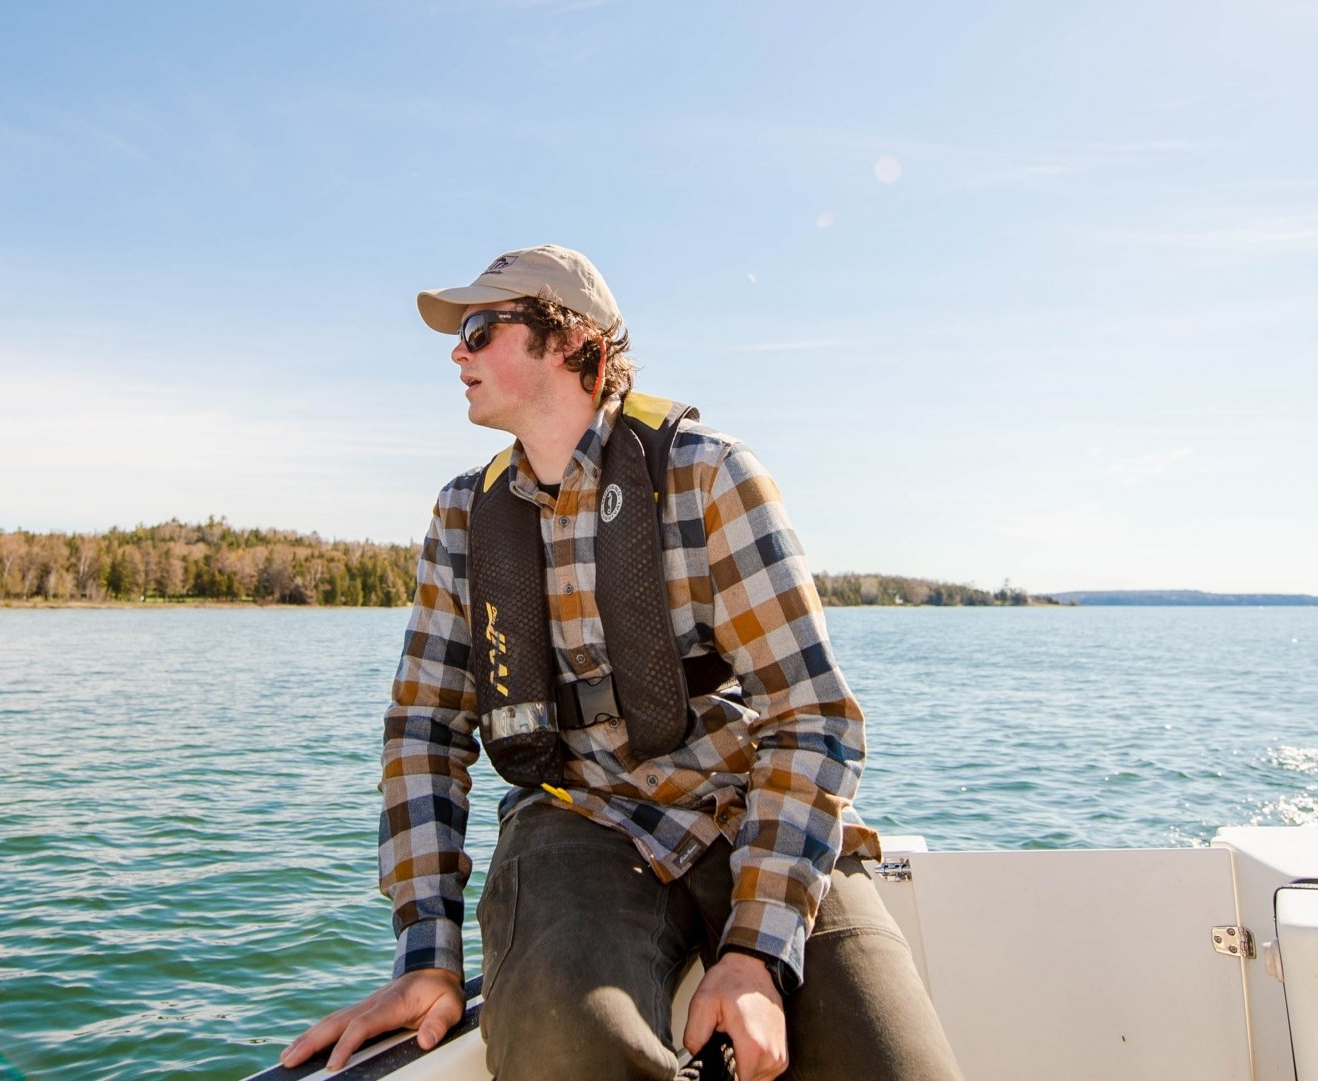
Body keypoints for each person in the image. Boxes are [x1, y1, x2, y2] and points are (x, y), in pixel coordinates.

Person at [280, 246, 959, 1080]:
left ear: (579, 350)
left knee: (897, 1065)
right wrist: (428, 953)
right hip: (578, 818)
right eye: (460, 334)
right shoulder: (464, 515)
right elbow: (424, 731)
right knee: (570, 1043)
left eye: (481, 329)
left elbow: (811, 716)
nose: (457, 352)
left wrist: (756, 952)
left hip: (741, 808)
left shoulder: (710, 476)